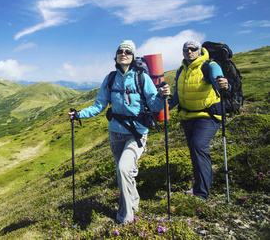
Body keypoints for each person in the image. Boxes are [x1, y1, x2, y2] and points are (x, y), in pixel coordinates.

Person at [68, 40, 170, 225]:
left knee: (124, 169)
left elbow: (154, 105)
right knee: (123, 172)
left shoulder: (142, 78)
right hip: (115, 133)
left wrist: (162, 96)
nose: (123, 53)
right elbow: (99, 105)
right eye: (120, 51)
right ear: (116, 56)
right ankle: (135, 203)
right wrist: (79, 114)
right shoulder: (110, 78)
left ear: (132, 57)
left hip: (136, 133)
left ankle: (125, 218)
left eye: (128, 52)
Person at [169, 40, 229, 201]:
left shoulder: (210, 65)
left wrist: (223, 84)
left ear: (199, 50)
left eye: (192, 49)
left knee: (198, 147)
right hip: (187, 117)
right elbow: (176, 96)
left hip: (208, 117)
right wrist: (161, 109)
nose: (189, 52)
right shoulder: (181, 70)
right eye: (185, 49)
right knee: (196, 152)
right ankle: (200, 186)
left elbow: (219, 81)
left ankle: (202, 193)